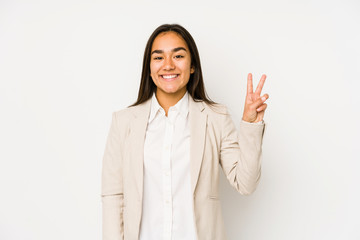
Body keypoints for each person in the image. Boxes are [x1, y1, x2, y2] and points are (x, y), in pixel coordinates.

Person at [101, 23, 269, 240]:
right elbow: (113, 198)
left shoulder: (216, 118)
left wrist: (250, 125)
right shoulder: (123, 122)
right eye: (158, 57)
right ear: (149, 68)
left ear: (192, 66)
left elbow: (245, 183)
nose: (168, 65)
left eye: (178, 56)